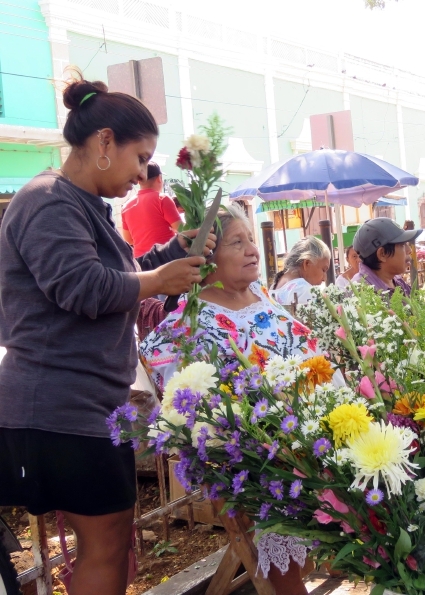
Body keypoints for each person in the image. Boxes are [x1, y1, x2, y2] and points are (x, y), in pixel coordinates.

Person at [0, 76, 214, 595]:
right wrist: (158, 279)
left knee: (112, 540)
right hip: (58, 408)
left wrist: (166, 255)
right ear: (103, 143)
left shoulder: (78, 204)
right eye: (139, 158)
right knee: (105, 543)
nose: (143, 173)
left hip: (84, 407)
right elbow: (83, 288)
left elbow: (116, 277)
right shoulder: (48, 200)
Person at [140, 204, 317, 595]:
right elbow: (180, 403)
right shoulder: (190, 321)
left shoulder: (262, 296)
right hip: (251, 458)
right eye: (238, 242)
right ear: (207, 256)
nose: (253, 250)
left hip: (305, 437)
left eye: (252, 239)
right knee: (284, 533)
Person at [121, 162, 182, 257]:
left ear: (139, 181)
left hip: (141, 263)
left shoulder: (126, 206)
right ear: (159, 178)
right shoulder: (162, 199)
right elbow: (181, 229)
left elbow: (128, 240)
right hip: (165, 258)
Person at [352, 217, 422, 297]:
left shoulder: (396, 281)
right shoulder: (361, 294)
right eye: (402, 245)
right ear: (382, 254)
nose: (409, 250)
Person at [270, 236, 331, 306]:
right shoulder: (304, 290)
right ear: (307, 263)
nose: (324, 278)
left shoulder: (275, 286)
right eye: (323, 270)